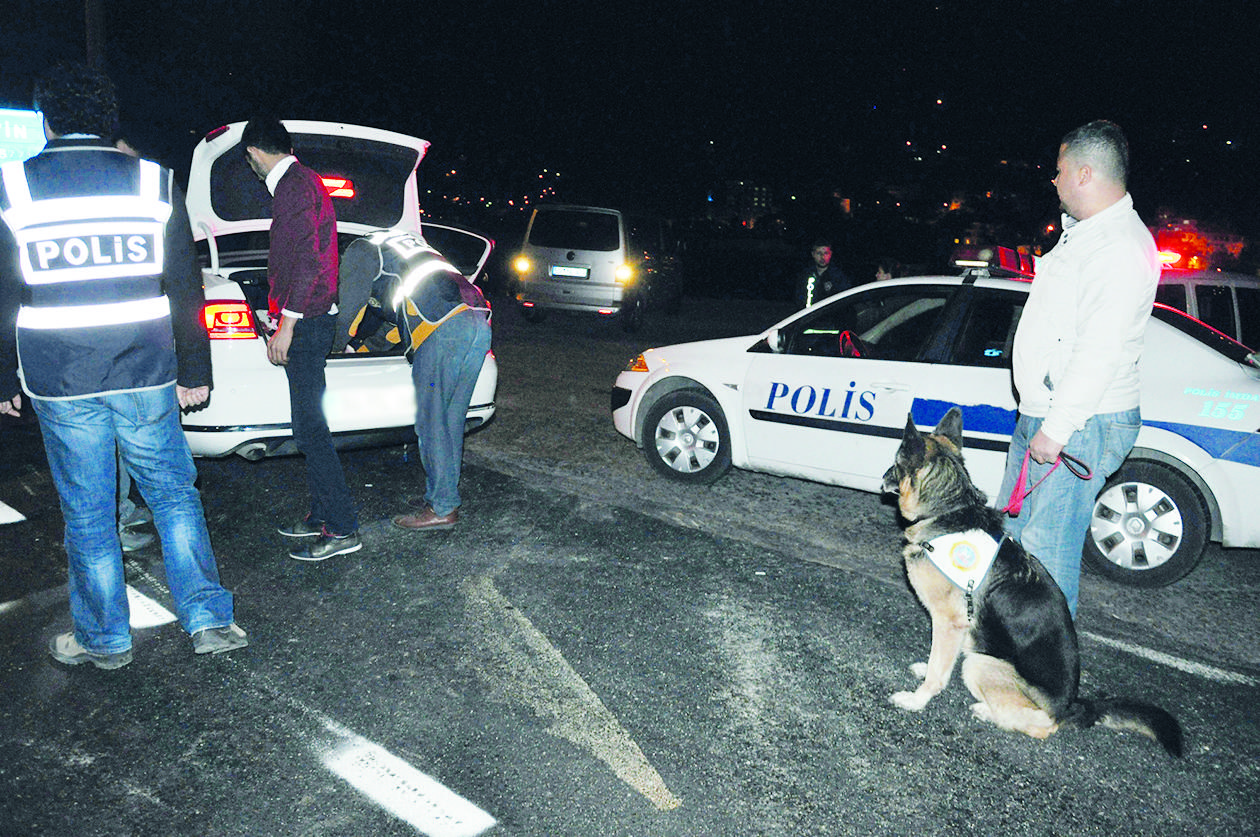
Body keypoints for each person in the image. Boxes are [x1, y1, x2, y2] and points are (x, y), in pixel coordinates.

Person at [0, 62, 246, 668]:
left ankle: (105, 639)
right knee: (172, 493)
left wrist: (3, 375)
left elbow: (3, 290)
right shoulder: (153, 182)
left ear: (46, 119)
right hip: (145, 368)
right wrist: (197, 371)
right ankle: (210, 619)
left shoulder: (13, 186)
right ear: (109, 119)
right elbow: (185, 285)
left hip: (60, 376)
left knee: (87, 509)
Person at [996, 120, 1159, 617]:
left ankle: (1045, 679)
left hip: (1077, 424)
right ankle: (1009, 651)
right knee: (1013, 536)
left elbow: (1100, 349)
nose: (1055, 179)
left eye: (1060, 169)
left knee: (1046, 551)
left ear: (1085, 174)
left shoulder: (1118, 249)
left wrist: (1058, 427)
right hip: (1050, 414)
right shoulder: (1086, 238)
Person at [241, 116, 360, 561]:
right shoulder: (305, 181)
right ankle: (319, 514)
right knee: (308, 426)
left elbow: (309, 261)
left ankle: (344, 527)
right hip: (311, 318)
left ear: (253, 152)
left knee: (311, 431)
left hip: (307, 324)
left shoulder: (292, 186)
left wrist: (286, 324)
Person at [337, 229, 491, 532]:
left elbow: (346, 313)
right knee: (449, 421)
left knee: (431, 421)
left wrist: (330, 348)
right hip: (477, 321)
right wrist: (362, 350)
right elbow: (397, 326)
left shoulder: (359, 250)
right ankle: (445, 499)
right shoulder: (405, 248)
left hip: (443, 330)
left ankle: (442, 508)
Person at [796, 240, 851, 307]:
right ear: (813, 254)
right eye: (819, 253)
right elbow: (800, 299)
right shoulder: (805, 275)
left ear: (830, 254)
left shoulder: (838, 276)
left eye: (826, 253)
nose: (822, 257)